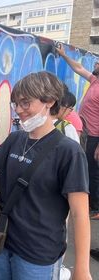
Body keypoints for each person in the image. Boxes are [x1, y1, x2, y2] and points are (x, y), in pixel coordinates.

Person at [0, 71, 91, 280]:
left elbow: (80, 214)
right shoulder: (15, 139)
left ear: (50, 101)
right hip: (0, 242)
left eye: (25, 103)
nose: (19, 110)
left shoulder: (69, 151)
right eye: (16, 104)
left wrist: (82, 269)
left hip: (38, 255)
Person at [56, 44, 99, 219]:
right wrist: (64, 55)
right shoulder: (95, 81)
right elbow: (78, 68)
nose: (96, 63)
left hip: (95, 136)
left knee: (92, 171)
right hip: (87, 133)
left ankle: (95, 208)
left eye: (98, 63)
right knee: (87, 168)